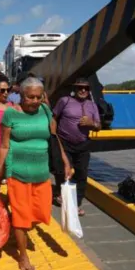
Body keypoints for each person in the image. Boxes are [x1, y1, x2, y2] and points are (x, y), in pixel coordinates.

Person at [0, 77, 72, 270]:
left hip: (41, 174)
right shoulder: (10, 114)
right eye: (30, 97)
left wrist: (65, 161)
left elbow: (53, 138)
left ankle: (16, 229)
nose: (34, 101)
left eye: (38, 96)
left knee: (40, 212)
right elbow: (4, 146)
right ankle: (23, 255)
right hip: (18, 173)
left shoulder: (45, 111)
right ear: (21, 95)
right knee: (21, 216)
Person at [51, 77, 100, 216]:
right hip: (65, 143)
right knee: (64, 172)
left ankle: (77, 203)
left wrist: (92, 123)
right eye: (80, 87)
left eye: (86, 88)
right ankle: (63, 196)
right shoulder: (64, 101)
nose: (83, 90)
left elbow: (98, 126)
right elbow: (54, 118)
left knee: (81, 174)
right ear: (74, 89)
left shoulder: (92, 105)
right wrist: (53, 136)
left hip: (83, 144)